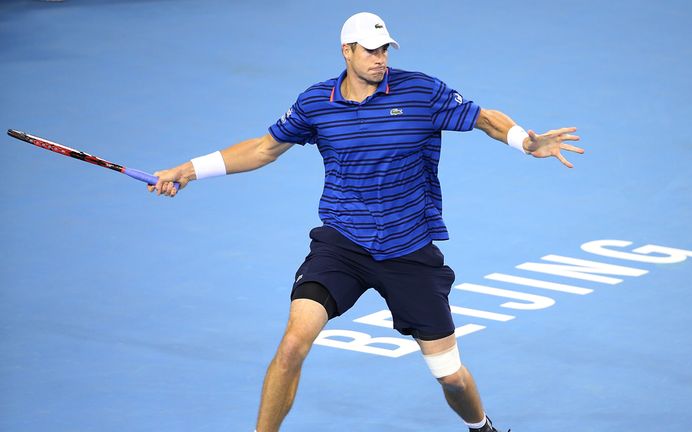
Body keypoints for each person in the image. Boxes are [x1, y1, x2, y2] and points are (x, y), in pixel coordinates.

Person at [149, 11, 583, 432]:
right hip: (342, 245)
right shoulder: (317, 102)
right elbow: (264, 149)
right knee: (292, 345)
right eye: (371, 50)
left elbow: (485, 118)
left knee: (450, 376)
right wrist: (188, 170)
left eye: (385, 50)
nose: (381, 58)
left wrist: (525, 141)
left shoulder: (420, 92)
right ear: (347, 50)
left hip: (409, 250)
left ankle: (480, 426)